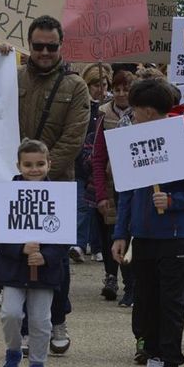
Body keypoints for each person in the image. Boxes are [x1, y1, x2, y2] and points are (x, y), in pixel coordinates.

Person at [111, 78, 184, 367]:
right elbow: (126, 191)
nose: (135, 120)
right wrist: (121, 233)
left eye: (139, 114)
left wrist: (172, 201)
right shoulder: (133, 143)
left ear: (154, 114)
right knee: (147, 300)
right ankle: (153, 357)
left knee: (171, 302)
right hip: (142, 236)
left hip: (174, 236)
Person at [15, 16, 90, 354]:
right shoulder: (11, 77)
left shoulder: (75, 86)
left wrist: (40, 174)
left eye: (51, 46)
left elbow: (73, 138)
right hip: (15, 184)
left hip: (57, 185)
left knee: (54, 259)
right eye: (38, 46)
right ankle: (26, 326)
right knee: (20, 256)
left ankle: (57, 319)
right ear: (28, 46)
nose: (44, 52)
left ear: (61, 47)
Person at [0, 139, 67, 367]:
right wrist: (19, 249)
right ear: (18, 165)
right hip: (14, 269)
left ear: (49, 164)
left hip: (45, 272)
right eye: (27, 165)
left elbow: (65, 237)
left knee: (41, 321)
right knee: (10, 314)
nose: (34, 169)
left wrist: (47, 256)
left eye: (39, 164)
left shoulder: (59, 195)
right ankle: (13, 350)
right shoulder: (6, 195)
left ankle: (37, 365)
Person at [92, 69, 134, 304]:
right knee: (114, 234)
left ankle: (132, 286)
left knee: (129, 233)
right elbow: (98, 157)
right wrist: (100, 193)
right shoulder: (103, 115)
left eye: (125, 89)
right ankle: (112, 276)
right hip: (112, 185)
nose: (120, 94)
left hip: (135, 183)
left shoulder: (141, 114)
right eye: (116, 89)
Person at [73, 63, 110, 264]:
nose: (100, 88)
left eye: (103, 84)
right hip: (80, 165)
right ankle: (78, 244)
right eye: (95, 84)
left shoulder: (108, 107)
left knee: (99, 210)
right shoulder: (81, 105)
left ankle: (97, 247)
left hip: (101, 167)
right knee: (83, 206)